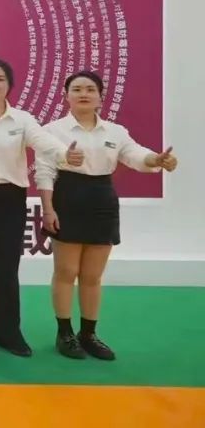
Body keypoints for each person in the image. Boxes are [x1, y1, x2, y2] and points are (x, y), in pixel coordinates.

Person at [36, 71, 177, 361]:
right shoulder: (51, 131)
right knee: (66, 272)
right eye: (77, 89)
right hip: (68, 198)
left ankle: (88, 334)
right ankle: (65, 333)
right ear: (66, 96)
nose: (83, 94)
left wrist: (156, 159)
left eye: (90, 89)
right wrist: (48, 209)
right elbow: (45, 172)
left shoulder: (115, 132)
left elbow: (135, 154)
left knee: (92, 276)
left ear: (100, 97)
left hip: (102, 200)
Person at [0, 57, 82, 357]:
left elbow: (43, 141)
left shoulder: (22, 119)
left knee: (8, 269)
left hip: (10, 200)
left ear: (9, 85)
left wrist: (64, 154)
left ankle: (8, 334)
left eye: (0, 79)